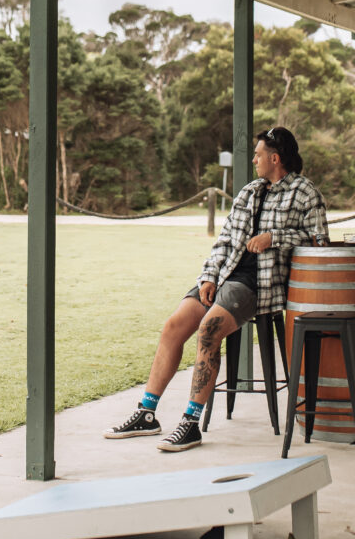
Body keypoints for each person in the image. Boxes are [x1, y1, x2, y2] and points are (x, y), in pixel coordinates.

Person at [104, 126, 328, 452]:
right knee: (173, 326)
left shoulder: (306, 194)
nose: (254, 160)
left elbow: (319, 241)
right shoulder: (249, 192)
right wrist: (208, 277)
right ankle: (146, 413)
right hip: (223, 279)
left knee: (208, 331)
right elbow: (224, 242)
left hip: (257, 286)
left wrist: (275, 238)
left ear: (275, 158)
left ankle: (190, 423)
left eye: (258, 154)